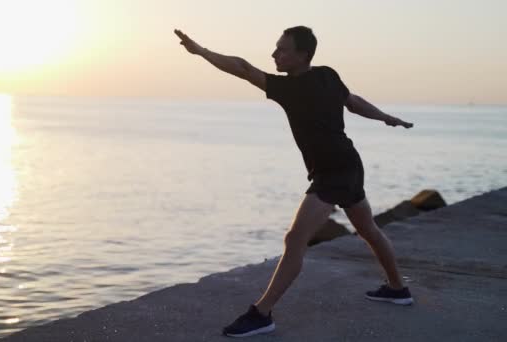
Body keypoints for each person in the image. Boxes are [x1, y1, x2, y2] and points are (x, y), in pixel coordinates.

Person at [174, 26, 414, 338]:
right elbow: (353, 102)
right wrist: (386, 117)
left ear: (303, 55)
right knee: (368, 229)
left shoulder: (294, 86)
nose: (275, 54)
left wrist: (203, 52)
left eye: (283, 49)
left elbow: (245, 68)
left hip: (334, 171)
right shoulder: (325, 75)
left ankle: (261, 313)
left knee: (295, 239)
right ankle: (397, 289)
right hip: (348, 164)